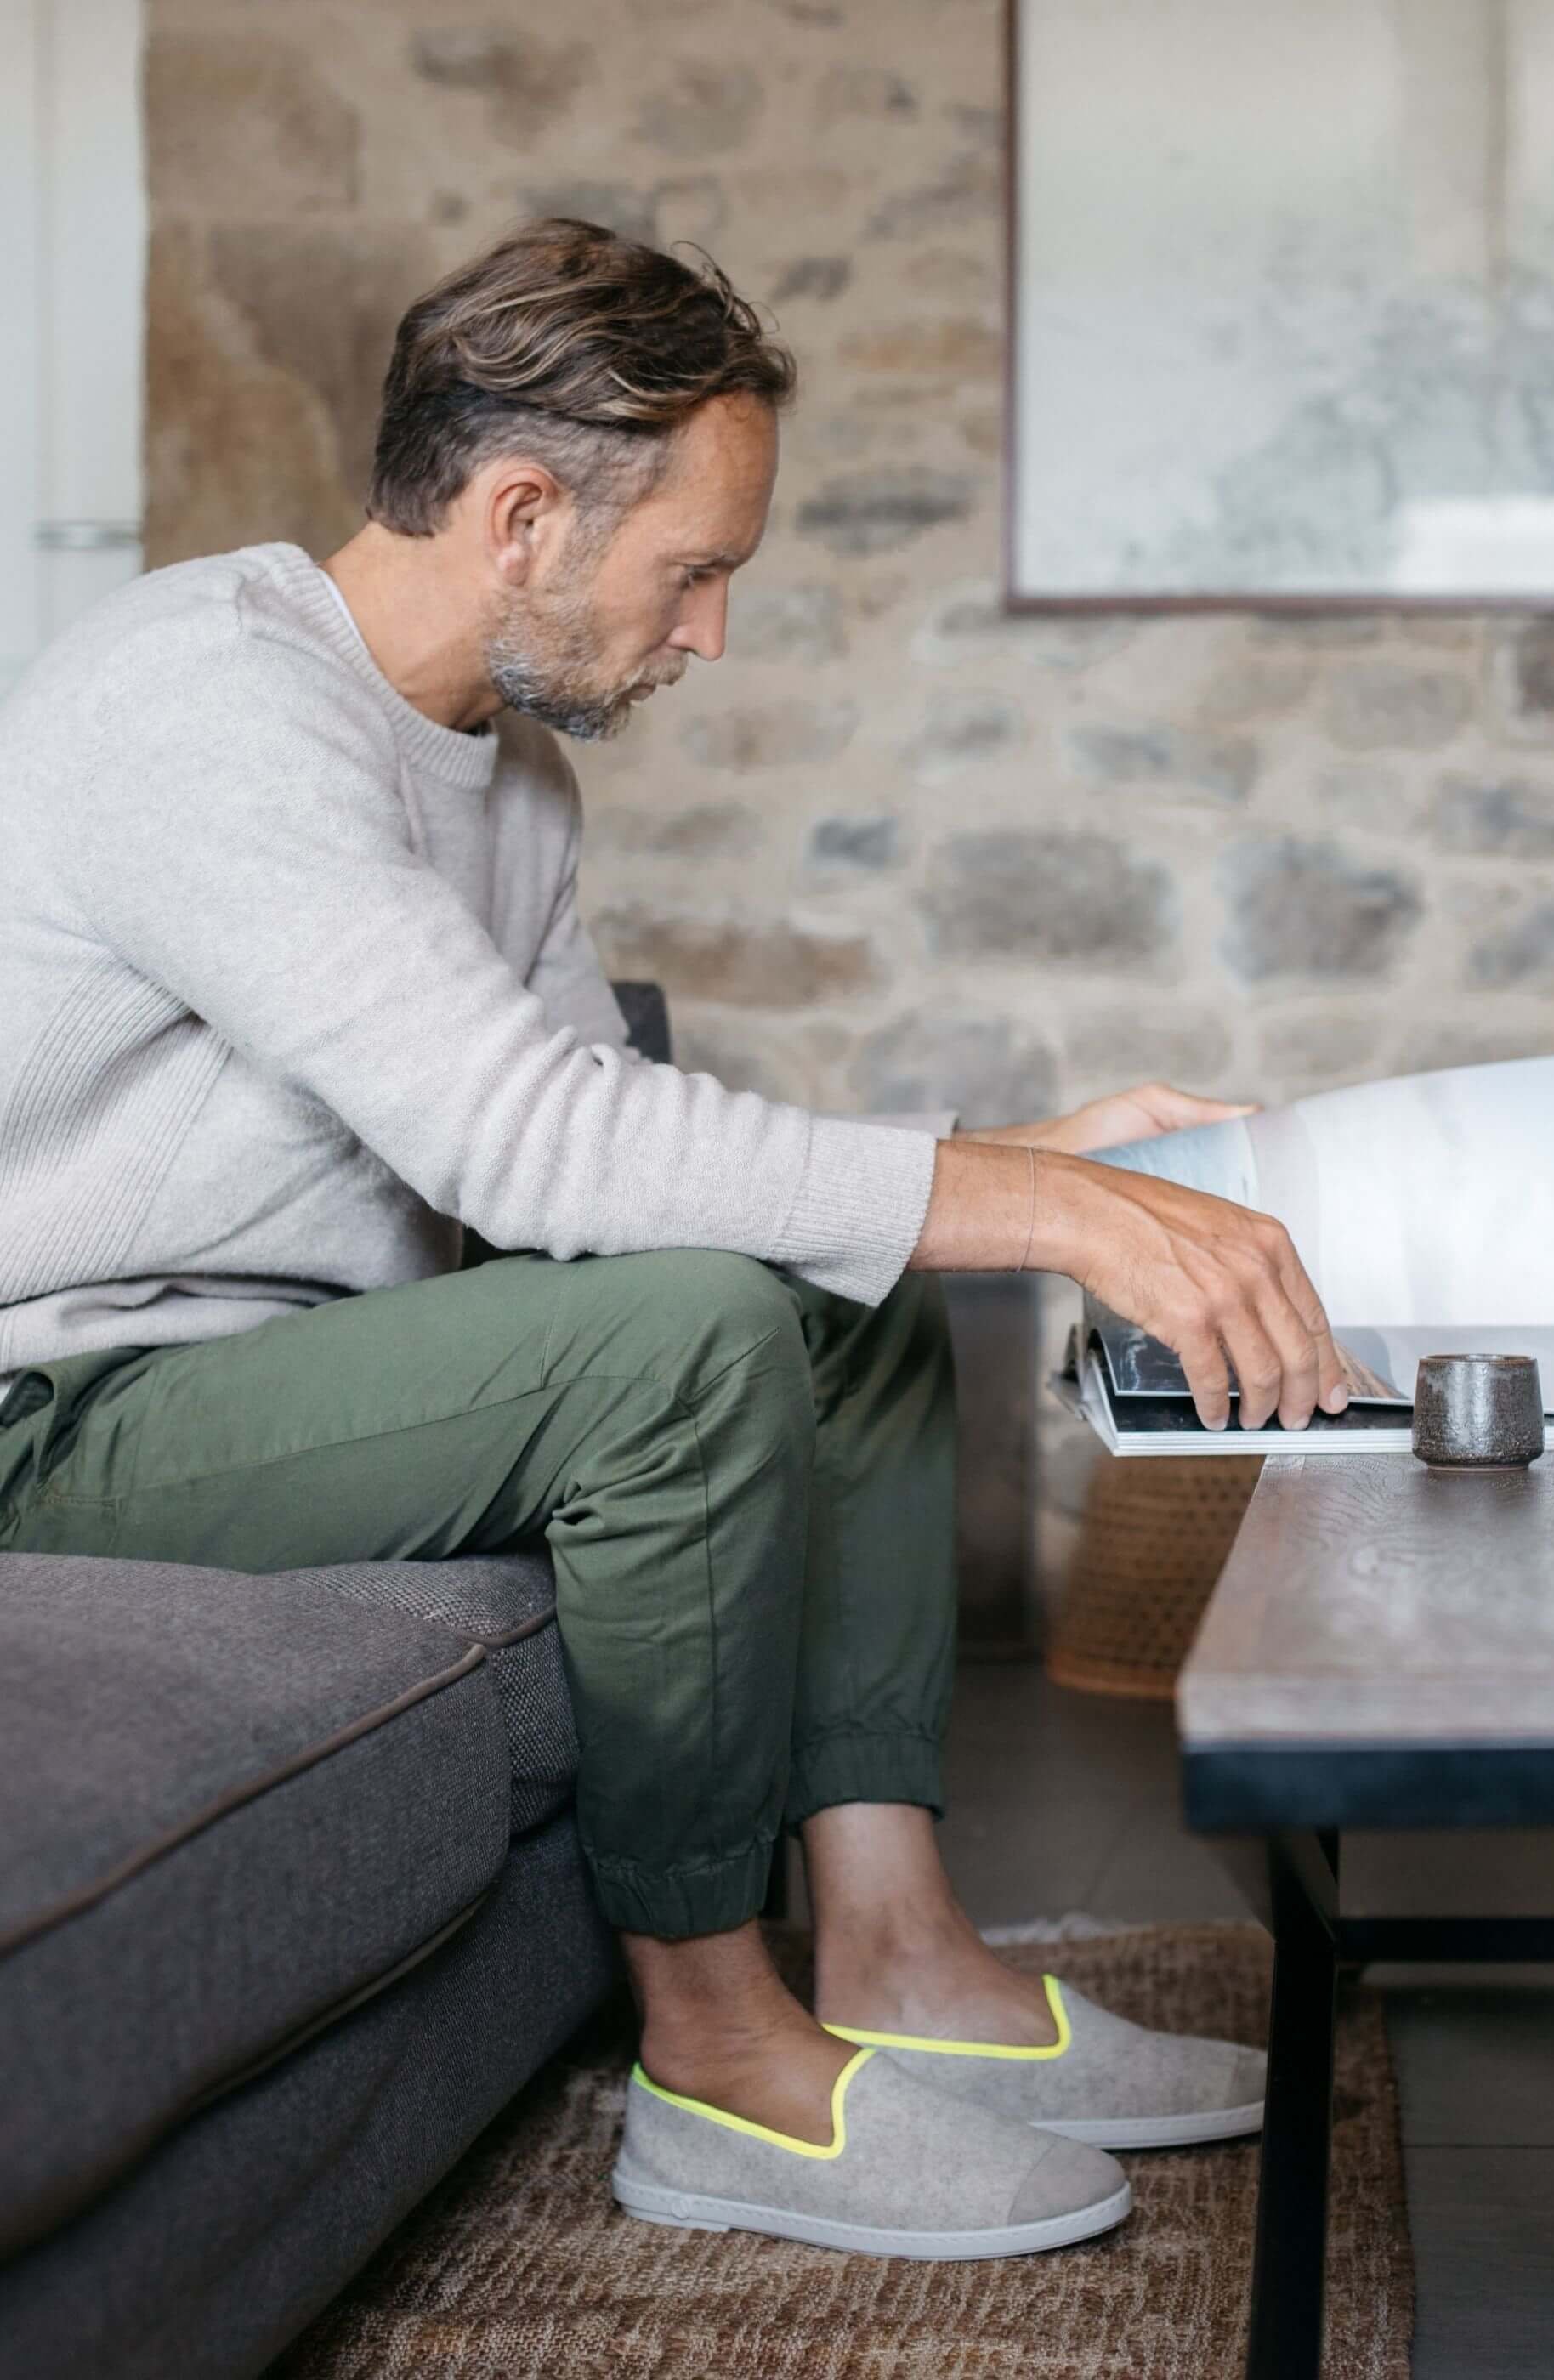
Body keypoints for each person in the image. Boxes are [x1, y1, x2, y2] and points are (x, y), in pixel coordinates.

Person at [0, 219, 1347, 2260]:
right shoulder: (212, 702)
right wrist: (1057, 1200)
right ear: (522, 515)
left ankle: (895, 1951)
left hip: (279, 1379)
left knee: (849, 1296)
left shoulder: (509, 774)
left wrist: (1007, 1164)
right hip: (62, 1410)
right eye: (694, 571)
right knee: (692, 1335)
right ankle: (716, 2055)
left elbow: (617, 1162)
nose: (708, 632)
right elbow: (533, 1149)